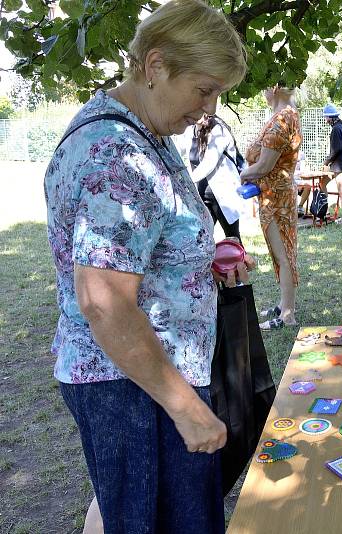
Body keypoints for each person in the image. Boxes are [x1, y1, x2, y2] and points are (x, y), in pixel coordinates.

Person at [42, 1, 249, 532]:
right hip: (135, 387)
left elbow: (145, 249)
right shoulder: (114, 152)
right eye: (205, 89)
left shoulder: (144, 132)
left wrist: (198, 270)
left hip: (146, 378)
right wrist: (186, 407)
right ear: (155, 66)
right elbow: (104, 302)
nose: (209, 108)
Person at [240, 84, 302, 329]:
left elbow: (265, 165)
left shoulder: (283, 119)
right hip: (274, 197)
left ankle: (287, 315)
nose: (262, 92)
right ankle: (284, 304)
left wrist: (244, 173)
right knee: (282, 255)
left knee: (284, 255)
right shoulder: (288, 115)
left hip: (276, 200)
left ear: (274, 88)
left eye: (264, 88)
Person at [189, 113, 244, 240]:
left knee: (233, 239)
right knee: (201, 241)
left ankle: (242, 260)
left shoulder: (219, 130)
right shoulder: (192, 130)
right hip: (202, 195)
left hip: (223, 195)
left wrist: (187, 182)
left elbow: (209, 162)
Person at [321, 103, 342, 223]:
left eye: (327, 117)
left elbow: (336, 149)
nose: (326, 119)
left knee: (341, 190)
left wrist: (327, 161)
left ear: (332, 117)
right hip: (337, 165)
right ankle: (326, 211)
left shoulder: (336, 129)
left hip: (338, 165)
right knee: (322, 183)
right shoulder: (339, 127)